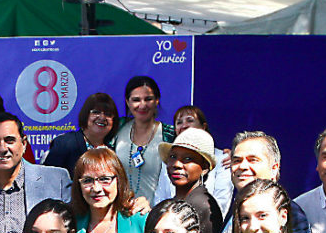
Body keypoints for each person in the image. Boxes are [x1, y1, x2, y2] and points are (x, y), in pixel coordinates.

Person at [215, 132, 312, 233]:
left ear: (274, 168)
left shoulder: (291, 213)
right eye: (237, 160)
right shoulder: (233, 207)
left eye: (253, 160)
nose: (242, 166)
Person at [158, 128, 223, 233]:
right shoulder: (177, 202)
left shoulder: (203, 205)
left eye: (188, 159)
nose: (177, 164)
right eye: (173, 157)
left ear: (205, 167)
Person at [113, 76, 175, 205]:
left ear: (157, 100)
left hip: (157, 215)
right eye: (136, 100)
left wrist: (224, 156)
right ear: (127, 102)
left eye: (148, 99)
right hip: (120, 214)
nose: (142, 105)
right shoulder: (116, 128)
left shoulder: (170, 134)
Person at [171, 105, 232, 217]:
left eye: (190, 120)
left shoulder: (223, 158)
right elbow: (160, 198)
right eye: (179, 122)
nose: (184, 125)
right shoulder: (169, 161)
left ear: (203, 127)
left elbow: (222, 202)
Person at [42, 93, 119, 175]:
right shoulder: (64, 144)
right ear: (85, 115)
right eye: (96, 112)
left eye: (108, 114)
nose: (102, 117)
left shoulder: (114, 150)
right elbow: (48, 180)